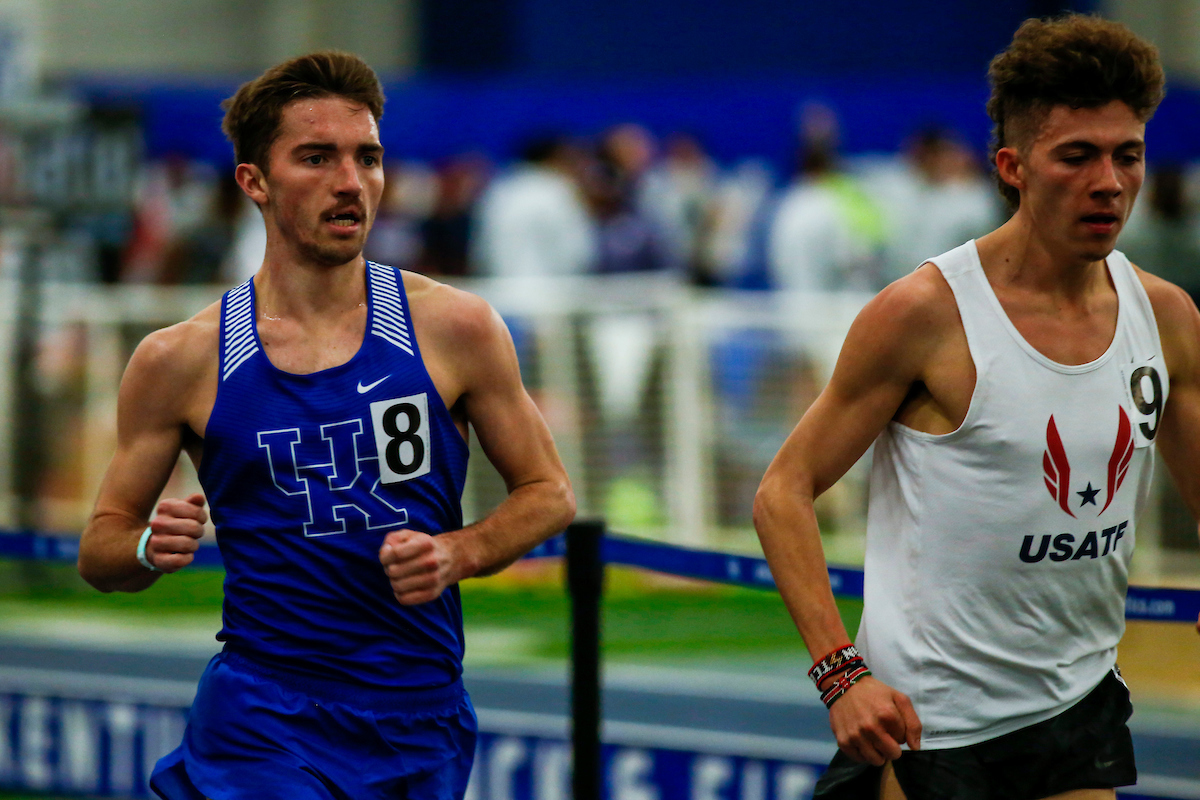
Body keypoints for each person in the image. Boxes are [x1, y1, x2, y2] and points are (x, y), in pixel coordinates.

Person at [77, 51, 575, 800]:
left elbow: (549, 492)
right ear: (255, 181)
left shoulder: (454, 327)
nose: (350, 182)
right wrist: (148, 543)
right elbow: (100, 548)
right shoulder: (180, 360)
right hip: (261, 716)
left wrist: (459, 552)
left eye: (367, 158)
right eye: (317, 158)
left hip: (420, 716)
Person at [753, 15, 1200, 800]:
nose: (1109, 182)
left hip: (1078, 707)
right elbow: (781, 492)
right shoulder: (926, 315)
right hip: (932, 728)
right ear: (1012, 166)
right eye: (1077, 156)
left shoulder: (1165, 318)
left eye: (1126, 155)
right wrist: (839, 675)